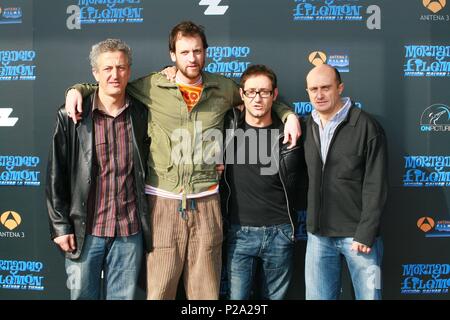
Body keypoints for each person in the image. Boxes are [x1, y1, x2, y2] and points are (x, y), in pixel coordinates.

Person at [64, 21, 301, 300]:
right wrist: (78, 89)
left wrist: (288, 115)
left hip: (207, 204)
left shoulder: (223, 87)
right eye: (185, 52)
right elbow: (111, 85)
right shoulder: (152, 86)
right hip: (163, 205)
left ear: (205, 53)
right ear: (172, 55)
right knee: (161, 291)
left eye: (198, 51)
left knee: (205, 294)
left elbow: (257, 93)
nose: (192, 58)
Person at [46, 39, 151, 300]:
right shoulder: (71, 116)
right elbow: (55, 174)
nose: (115, 75)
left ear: (129, 70)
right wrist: (60, 226)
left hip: (129, 233)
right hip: (85, 232)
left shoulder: (142, 114)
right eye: (107, 69)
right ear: (95, 73)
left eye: (121, 67)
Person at [221, 65, 307, 299]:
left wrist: (289, 116)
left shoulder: (290, 134)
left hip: (279, 232)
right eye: (251, 92)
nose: (257, 98)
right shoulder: (227, 127)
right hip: (238, 233)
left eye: (264, 92)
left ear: (275, 95)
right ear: (242, 94)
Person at [303, 64, 388, 300]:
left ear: (340, 88)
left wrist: (366, 232)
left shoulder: (366, 127)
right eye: (313, 89)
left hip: (358, 238)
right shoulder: (306, 125)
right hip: (319, 237)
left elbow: (376, 184)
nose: (319, 95)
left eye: (325, 88)